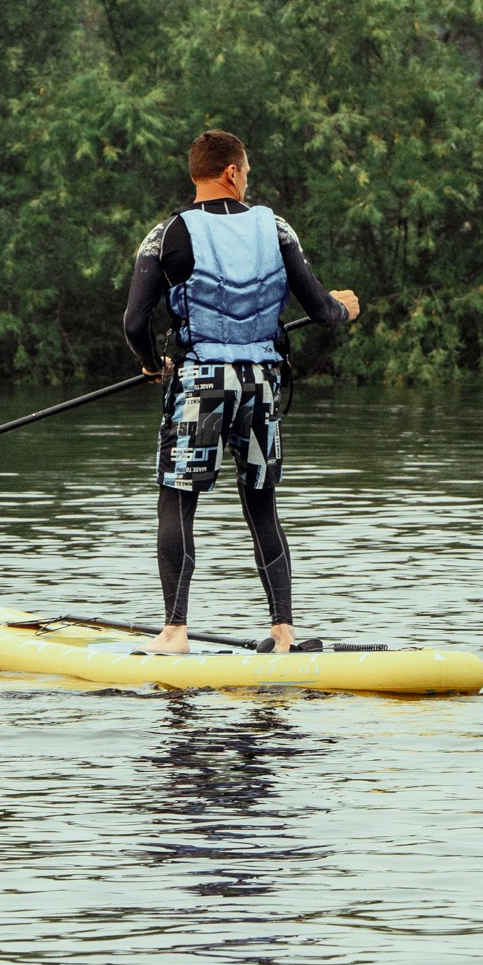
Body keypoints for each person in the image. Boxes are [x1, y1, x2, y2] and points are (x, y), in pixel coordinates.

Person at [123, 130, 360, 653]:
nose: (247, 180)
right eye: (246, 171)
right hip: (259, 384)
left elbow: (135, 322)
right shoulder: (276, 228)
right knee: (261, 504)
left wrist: (152, 365)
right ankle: (283, 632)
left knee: (177, 500)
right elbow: (321, 310)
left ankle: (175, 632)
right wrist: (343, 308)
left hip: (200, 383)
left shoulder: (165, 235)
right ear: (231, 171)